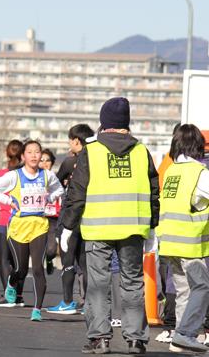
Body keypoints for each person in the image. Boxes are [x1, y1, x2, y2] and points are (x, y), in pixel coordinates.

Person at [60, 97, 159, 354]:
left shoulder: (91, 151)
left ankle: (100, 338)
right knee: (132, 283)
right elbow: (153, 193)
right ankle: (136, 339)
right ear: (126, 123)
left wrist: (67, 227)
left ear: (104, 123)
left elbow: (77, 192)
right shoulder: (141, 151)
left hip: (98, 229)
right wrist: (153, 228)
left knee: (97, 284)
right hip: (134, 229)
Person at [0, 140, 64, 321]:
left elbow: (59, 189)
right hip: (18, 226)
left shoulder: (47, 175)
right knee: (20, 268)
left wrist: (48, 198)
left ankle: (37, 309)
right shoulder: (15, 176)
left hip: (39, 226)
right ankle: (11, 284)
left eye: (38, 152)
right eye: (30, 152)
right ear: (23, 156)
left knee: (37, 268)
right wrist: (8, 201)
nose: (35, 156)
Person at [156, 124, 209, 353]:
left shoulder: (172, 171)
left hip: (169, 243)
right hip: (190, 244)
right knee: (202, 287)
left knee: (183, 291)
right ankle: (185, 334)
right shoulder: (200, 172)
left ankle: (180, 336)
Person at [47, 123, 95, 315]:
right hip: (90, 214)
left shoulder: (70, 162)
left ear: (76, 141)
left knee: (68, 259)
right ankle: (88, 304)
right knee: (85, 263)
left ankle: (67, 301)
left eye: (70, 140)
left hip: (70, 215)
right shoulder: (96, 159)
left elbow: (56, 183)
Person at [0, 139, 23, 307]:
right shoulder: (27, 174)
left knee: (4, 260)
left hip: (5, 221)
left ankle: (8, 296)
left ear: (7, 154)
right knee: (19, 261)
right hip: (25, 221)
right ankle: (19, 295)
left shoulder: (2, 174)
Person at [40, 148, 60, 275]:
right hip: (37, 217)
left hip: (53, 218)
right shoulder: (32, 178)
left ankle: (49, 260)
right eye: (42, 160)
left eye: (48, 160)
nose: (45, 163)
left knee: (51, 250)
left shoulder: (57, 178)